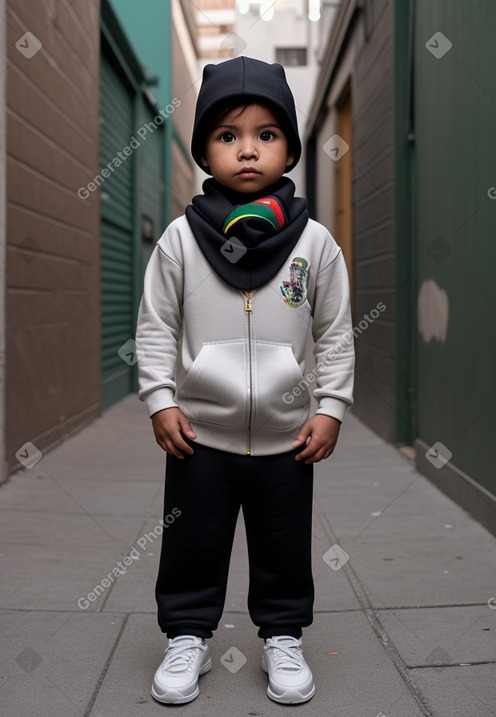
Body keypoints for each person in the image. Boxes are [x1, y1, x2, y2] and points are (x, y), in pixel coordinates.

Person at [135, 55, 355, 706]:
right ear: (204, 146)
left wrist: (332, 405)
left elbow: (336, 331)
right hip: (200, 432)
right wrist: (159, 398)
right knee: (193, 541)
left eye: (266, 133)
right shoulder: (180, 239)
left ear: (288, 144)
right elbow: (154, 325)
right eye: (228, 135)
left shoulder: (314, 243)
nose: (248, 149)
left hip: (289, 434)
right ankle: (187, 637)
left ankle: (282, 635)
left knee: (283, 542)